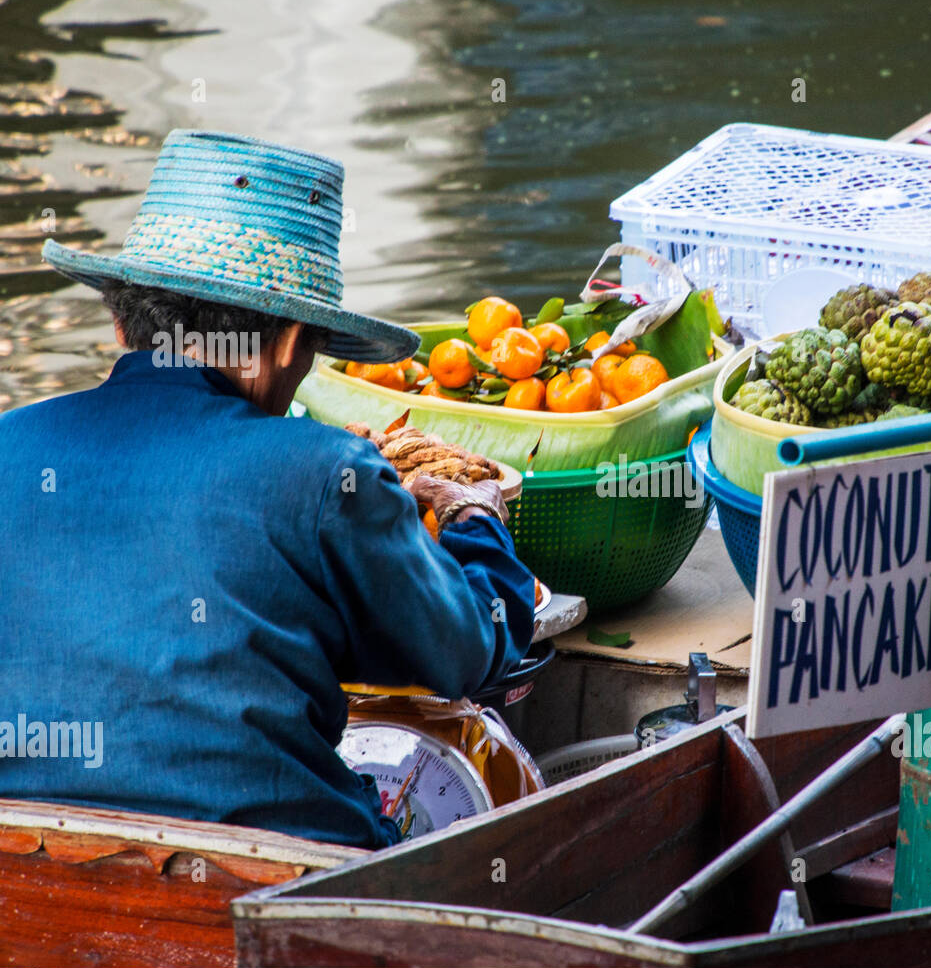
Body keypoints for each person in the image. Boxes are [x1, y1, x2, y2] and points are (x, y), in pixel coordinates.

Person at [0, 130, 535, 848]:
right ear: (289, 343)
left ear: (121, 318)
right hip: (284, 874)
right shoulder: (321, 472)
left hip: (34, 874)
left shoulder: (12, 446)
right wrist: (474, 516)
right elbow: (465, 651)